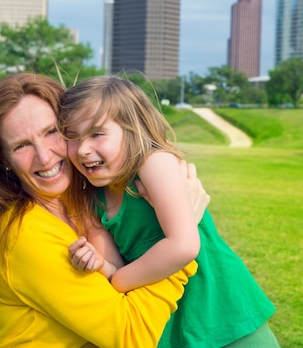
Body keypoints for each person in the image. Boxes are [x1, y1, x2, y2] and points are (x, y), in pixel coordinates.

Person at [0, 72, 209, 348]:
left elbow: (114, 282)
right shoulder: (27, 236)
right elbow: (131, 335)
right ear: (3, 160)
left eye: (52, 132)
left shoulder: (81, 206)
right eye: (21, 145)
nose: (44, 157)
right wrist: (181, 236)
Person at [58, 75, 280, 348]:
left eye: (97, 133)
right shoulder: (93, 198)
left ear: (131, 130)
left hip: (220, 308)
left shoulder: (153, 164)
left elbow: (183, 245)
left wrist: (117, 280)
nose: (82, 149)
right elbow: (116, 267)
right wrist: (98, 264)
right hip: (168, 319)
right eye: (72, 137)